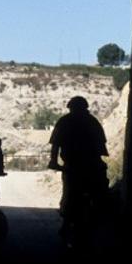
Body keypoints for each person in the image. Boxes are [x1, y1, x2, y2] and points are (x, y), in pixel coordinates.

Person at [48, 96, 109, 248]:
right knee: (98, 195)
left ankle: (67, 223)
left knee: (71, 195)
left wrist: (54, 162)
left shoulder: (65, 121)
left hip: (73, 166)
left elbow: (55, 145)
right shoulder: (93, 121)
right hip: (92, 165)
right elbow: (102, 147)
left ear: (70, 107)